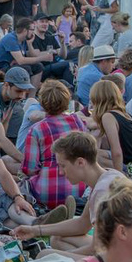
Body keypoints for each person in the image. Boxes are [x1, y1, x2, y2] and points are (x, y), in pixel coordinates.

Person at [13, 132, 125, 258]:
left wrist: (62, 256)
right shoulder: (109, 176)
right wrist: (35, 230)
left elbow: (98, 248)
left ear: (80, 163)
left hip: (121, 259)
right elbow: (82, 224)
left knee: (45, 255)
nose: (60, 172)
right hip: (120, 249)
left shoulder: (102, 191)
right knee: (57, 238)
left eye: (63, 166)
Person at [22, 80, 86, 210]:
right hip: (77, 190)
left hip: (46, 194)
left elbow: (30, 169)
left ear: (42, 102)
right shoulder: (77, 122)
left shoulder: (36, 129)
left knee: (19, 188)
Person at [90, 81, 132, 195]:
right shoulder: (124, 114)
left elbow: (116, 151)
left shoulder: (108, 116)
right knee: (98, 154)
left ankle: (96, 191)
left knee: (94, 158)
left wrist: (118, 179)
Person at [0, 17, 52, 89]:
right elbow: (21, 61)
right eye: (32, 30)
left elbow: (31, 55)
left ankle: (31, 97)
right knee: (25, 68)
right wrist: (42, 58)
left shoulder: (23, 40)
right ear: (24, 30)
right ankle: (22, 95)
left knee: (38, 66)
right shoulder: (11, 38)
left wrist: (29, 44)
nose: (33, 32)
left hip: (8, 65)